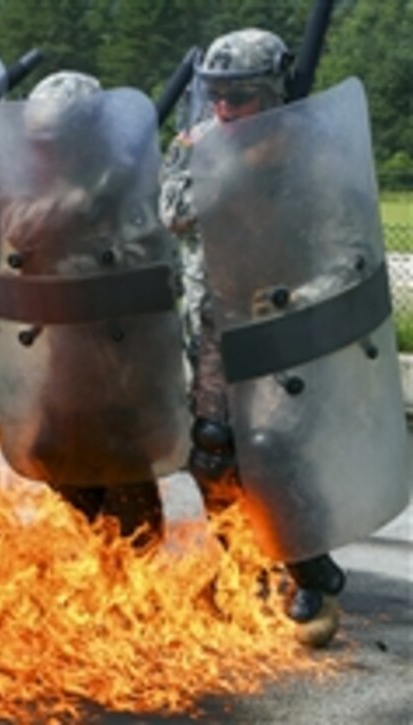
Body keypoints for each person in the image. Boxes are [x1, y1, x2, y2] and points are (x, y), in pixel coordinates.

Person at [159, 28, 346, 647]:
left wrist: (306, 298)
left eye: (238, 97)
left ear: (270, 94)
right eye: (216, 95)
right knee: (211, 451)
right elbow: (175, 213)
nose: (223, 108)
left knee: (276, 451)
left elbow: (348, 248)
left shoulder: (314, 149)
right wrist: (233, 170)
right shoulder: (201, 143)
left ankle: (306, 568)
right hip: (215, 320)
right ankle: (245, 563)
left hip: (285, 320)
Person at [0, 70, 185, 539]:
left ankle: (138, 568)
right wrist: (81, 203)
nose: (44, 152)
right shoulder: (46, 182)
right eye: (39, 143)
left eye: (55, 142)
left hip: (123, 351)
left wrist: (108, 216)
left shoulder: (133, 179)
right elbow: (18, 230)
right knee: (51, 449)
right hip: (63, 347)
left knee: (120, 457)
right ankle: (102, 551)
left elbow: (156, 264)